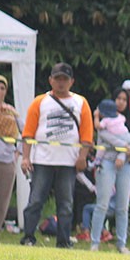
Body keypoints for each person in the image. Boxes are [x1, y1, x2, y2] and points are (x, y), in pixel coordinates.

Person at [19, 62, 94, 248]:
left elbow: (87, 135)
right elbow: (28, 133)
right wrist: (26, 157)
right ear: (50, 80)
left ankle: (63, 241)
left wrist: (82, 157)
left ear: (72, 81)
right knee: (35, 200)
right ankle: (28, 236)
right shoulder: (39, 102)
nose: (61, 83)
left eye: (65, 79)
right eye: (57, 79)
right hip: (42, 159)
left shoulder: (81, 103)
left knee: (66, 204)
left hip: (68, 161)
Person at [89, 90, 130, 253]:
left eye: (124, 99)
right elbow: (108, 138)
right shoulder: (105, 122)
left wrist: (123, 153)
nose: (120, 102)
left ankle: (121, 243)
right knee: (102, 203)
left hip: (125, 165)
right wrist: (126, 150)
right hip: (106, 162)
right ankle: (94, 243)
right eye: (118, 98)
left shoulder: (129, 125)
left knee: (122, 206)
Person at [0, 74, 23, 242]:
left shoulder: (11, 111)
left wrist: (18, 153)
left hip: (8, 162)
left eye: (3, 88)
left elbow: (26, 134)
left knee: (0, 204)